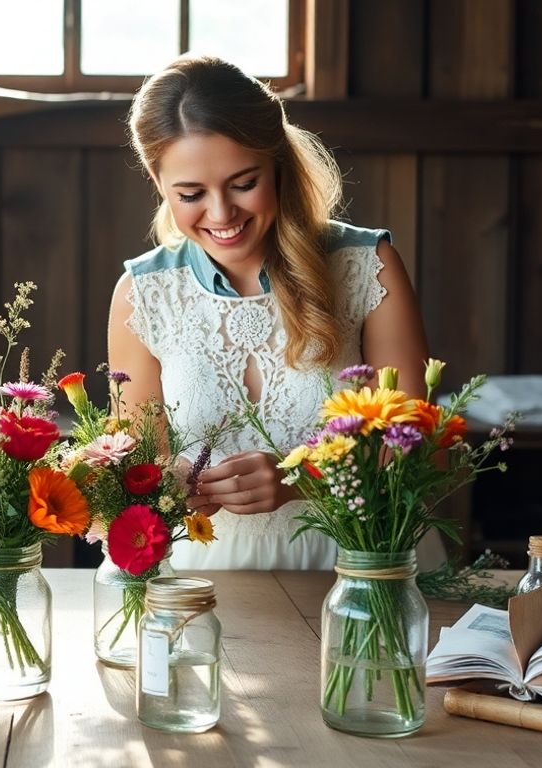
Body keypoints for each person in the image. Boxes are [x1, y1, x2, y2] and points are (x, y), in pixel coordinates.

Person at [108, 55, 435, 570]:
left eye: (243, 184)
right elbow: (133, 475)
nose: (221, 214)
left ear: (278, 161)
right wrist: (164, 486)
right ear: (157, 179)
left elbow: (423, 451)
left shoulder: (366, 267)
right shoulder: (143, 293)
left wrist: (302, 479)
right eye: (191, 194)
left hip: (359, 563)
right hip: (196, 577)